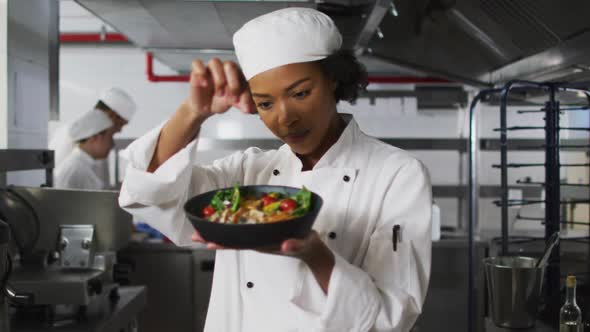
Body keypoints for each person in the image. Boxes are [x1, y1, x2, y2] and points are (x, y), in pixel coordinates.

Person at [119, 7, 432, 332]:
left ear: (334, 79)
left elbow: (391, 317)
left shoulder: (397, 174)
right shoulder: (247, 172)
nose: (285, 118)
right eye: (265, 103)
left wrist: (313, 254)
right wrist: (193, 112)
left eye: (300, 93)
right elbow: (151, 196)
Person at [49, 87, 136, 187]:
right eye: (121, 124)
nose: (120, 130)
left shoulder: (83, 134)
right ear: (112, 115)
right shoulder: (72, 137)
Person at [54, 110, 115, 190]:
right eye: (110, 137)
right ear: (95, 138)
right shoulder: (78, 171)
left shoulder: (79, 166)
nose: (112, 144)